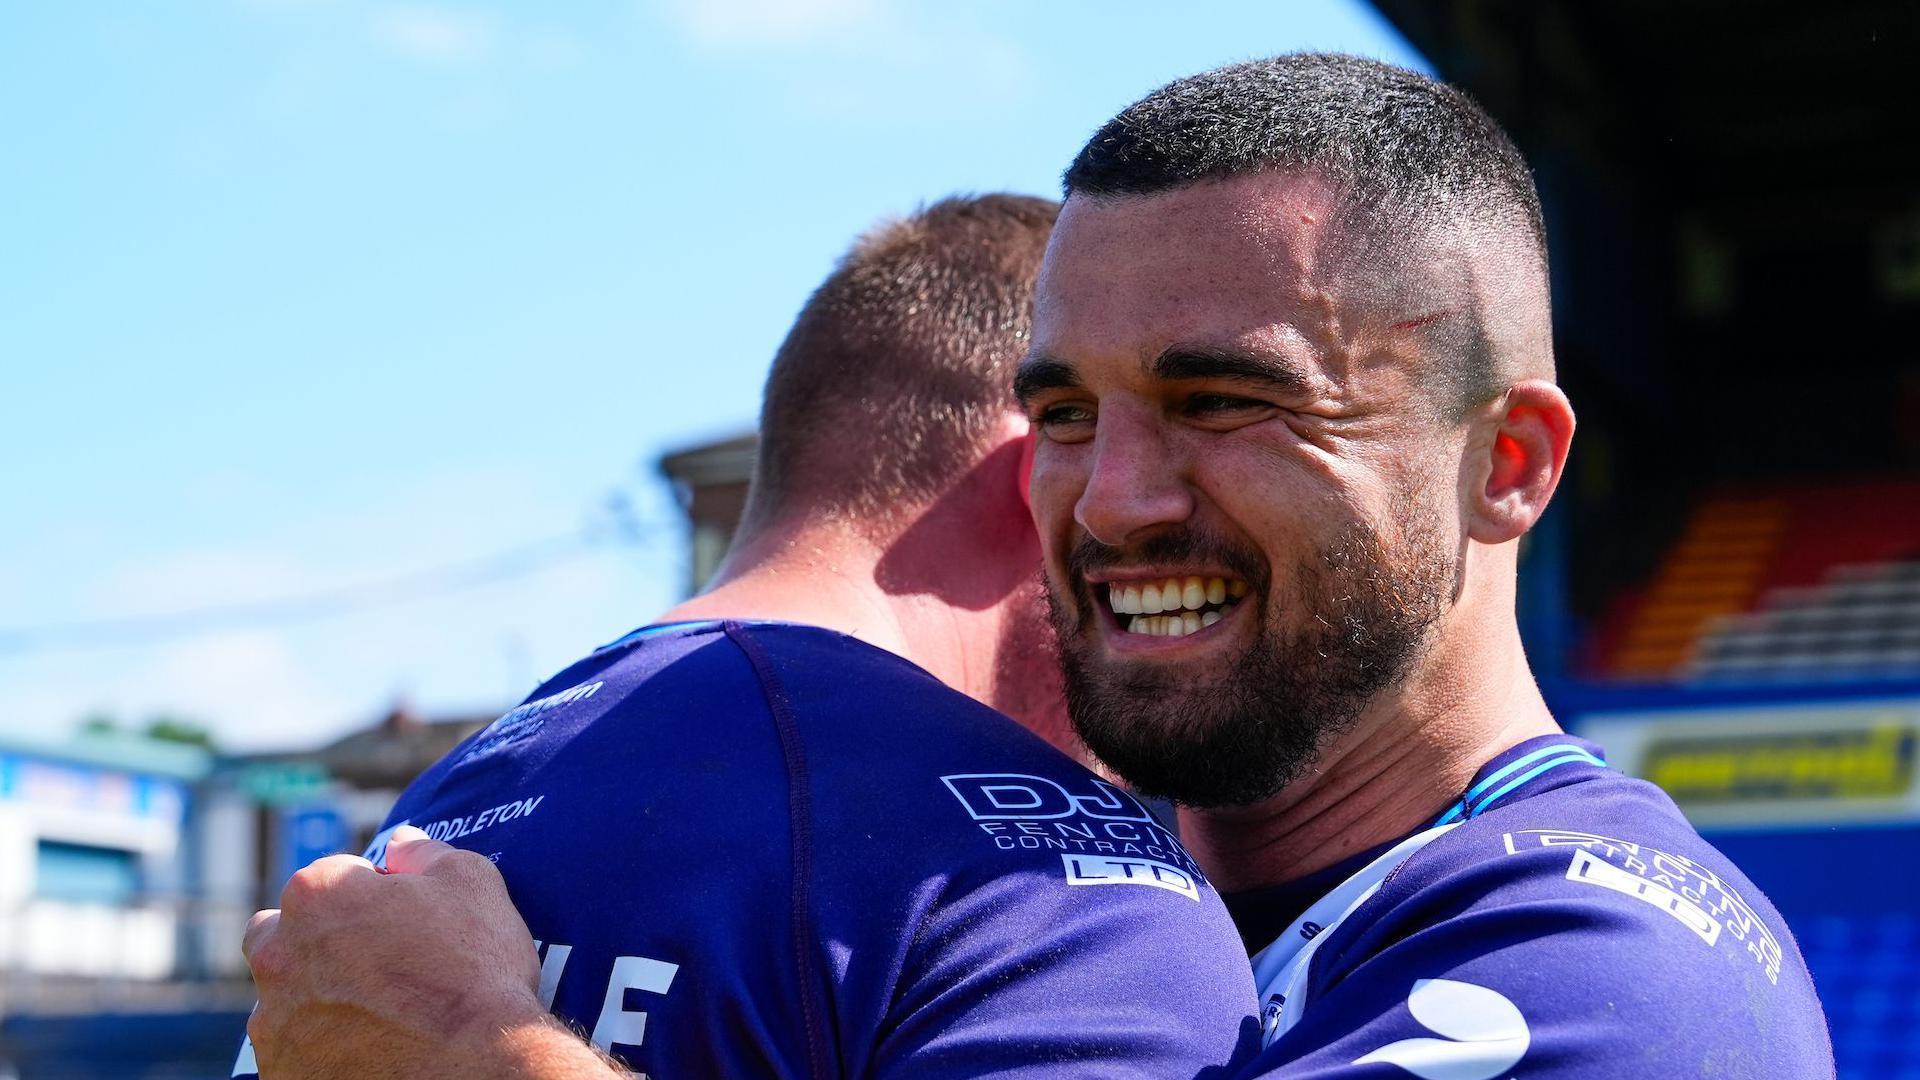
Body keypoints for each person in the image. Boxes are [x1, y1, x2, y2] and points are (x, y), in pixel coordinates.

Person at [234, 194, 1260, 1078]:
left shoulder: (414, 846)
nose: (1142, 514)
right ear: (1038, 467)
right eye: (1096, 435)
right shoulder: (1048, 889)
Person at [1016, 53, 1832, 1076]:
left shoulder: (1614, 983)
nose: (1111, 501)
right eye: (1064, 415)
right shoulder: (1034, 907)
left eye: (1222, 400)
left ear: (1506, 463)